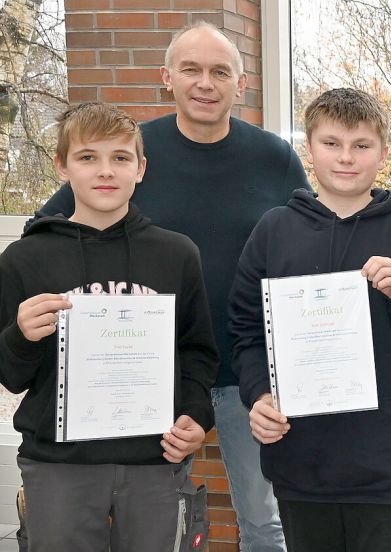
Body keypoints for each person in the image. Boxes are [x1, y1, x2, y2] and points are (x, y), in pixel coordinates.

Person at [33, 21, 308, 551]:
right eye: (192, 70)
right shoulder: (131, 152)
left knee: (263, 521)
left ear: (240, 83)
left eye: (219, 72)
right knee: (147, 521)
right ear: (167, 78)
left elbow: (310, 242)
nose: (206, 83)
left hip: (245, 373)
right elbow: (47, 231)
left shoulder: (276, 157)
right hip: (144, 373)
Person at [228, 87, 391, 552]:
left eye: (361, 145)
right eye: (331, 144)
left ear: (383, 152)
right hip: (300, 463)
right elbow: (246, 333)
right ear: (309, 147)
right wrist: (259, 395)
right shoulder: (273, 231)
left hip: (387, 468)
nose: (345, 158)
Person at [0, 102, 219, 551]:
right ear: (62, 166)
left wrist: (197, 417)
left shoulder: (177, 254)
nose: (106, 171)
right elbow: (11, 375)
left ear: (141, 168)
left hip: (154, 461)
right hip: (60, 466)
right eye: (87, 157)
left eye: (120, 157)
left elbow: (198, 352)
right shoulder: (25, 258)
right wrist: (20, 335)